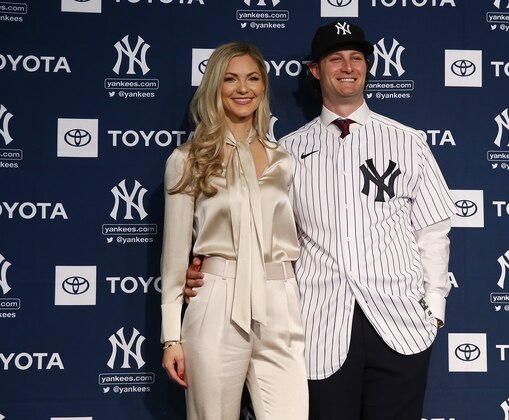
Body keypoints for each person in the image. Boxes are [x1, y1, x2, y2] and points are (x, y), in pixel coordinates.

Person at [185, 22, 456, 420]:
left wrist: (433, 308)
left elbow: (433, 230)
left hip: (401, 323)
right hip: (320, 326)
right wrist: (205, 270)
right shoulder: (286, 152)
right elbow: (264, 233)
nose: (347, 67)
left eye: (356, 58)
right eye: (335, 58)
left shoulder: (408, 141)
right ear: (315, 70)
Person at [160, 42, 308, 420]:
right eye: (231, 79)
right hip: (216, 301)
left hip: (280, 300)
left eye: (252, 78)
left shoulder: (285, 160)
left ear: (263, 87)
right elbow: (175, 257)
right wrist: (171, 337)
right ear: (215, 87)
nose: (243, 88)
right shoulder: (187, 160)